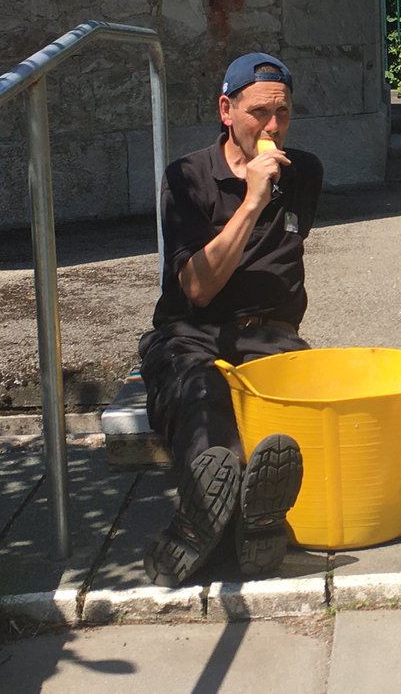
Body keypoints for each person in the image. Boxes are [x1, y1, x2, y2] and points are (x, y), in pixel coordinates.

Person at [138, 52, 323, 586]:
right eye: (258, 113)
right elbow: (196, 288)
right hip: (190, 333)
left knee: (302, 409)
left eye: (282, 114)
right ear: (226, 109)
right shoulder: (188, 178)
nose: (272, 127)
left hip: (272, 336)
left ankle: (241, 520)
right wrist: (252, 199)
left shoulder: (304, 171)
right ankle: (223, 511)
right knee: (197, 392)